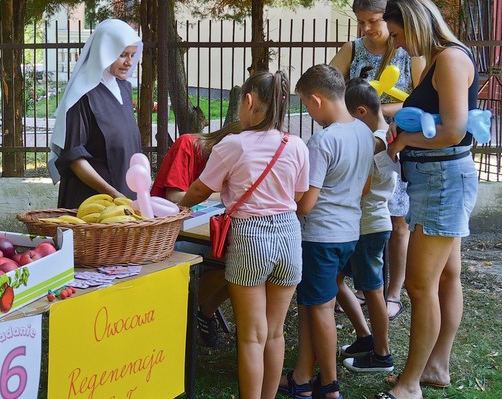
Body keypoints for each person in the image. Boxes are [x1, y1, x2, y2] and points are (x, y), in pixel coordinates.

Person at [179, 70, 310, 398]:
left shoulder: (233, 144)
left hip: (251, 236)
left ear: (249, 101)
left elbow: (199, 189)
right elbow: (298, 196)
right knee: (275, 332)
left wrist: (178, 205)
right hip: (290, 236)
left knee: (252, 335)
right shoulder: (296, 145)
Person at [377, 0, 479, 398]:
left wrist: (403, 140)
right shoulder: (439, 59)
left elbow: (453, 130)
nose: (398, 45)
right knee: (447, 276)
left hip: (441, 181)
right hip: (437, 179)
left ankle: (409, 384)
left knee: (420, 287)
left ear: (415, 24)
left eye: (398, 34)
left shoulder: (450, 60)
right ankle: (436, 367)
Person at [279, 64, 375, 399]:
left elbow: (306, 203)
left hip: (320, 236)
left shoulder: (322, 141)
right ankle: (302, 377)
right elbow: (366, 185)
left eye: (305, 104)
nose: (308, 111)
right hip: (349, 232)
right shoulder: (364, 132)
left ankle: (329, 384)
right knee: (311, 304)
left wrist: (287, 208)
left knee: (320, 309)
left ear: (317, 100)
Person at [330, 0, 425, 317]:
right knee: (360, 217)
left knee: (398, 223)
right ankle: (363, 288)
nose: (366, 29)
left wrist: (376, 113)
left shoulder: (408, 50)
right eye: (361, 22)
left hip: (395, 146)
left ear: (390, 19)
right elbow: (331, 90)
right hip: (358, 146)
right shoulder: (352, 50)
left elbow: (421, 99)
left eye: (373, 21)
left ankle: (393, 294)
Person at [150, 121, 243, 347]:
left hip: (199, 230)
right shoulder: (188, 145)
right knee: (230, 257)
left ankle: (203, 310)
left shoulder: (230, 158)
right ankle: (182, 312)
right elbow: (174, 197)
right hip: (169, 235)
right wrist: (224, 192)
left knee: (241, 258)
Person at [48, 19, 143, 209]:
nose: (129, 62)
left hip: (124, 197)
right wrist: (113, 193)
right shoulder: (83, 95)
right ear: (104, 52)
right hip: (92, 200)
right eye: (122, 55)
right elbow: (74, 159)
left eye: (132, 55)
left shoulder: (124, 88)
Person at [337, 71, 396, 373]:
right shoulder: (381, 135)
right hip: (362, 224)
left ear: (360, 112)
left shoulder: (374, 142)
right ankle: (365, 337)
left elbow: (358, 182)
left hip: (369, 226)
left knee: (373, 289)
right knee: (334, 279)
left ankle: (382, 355)